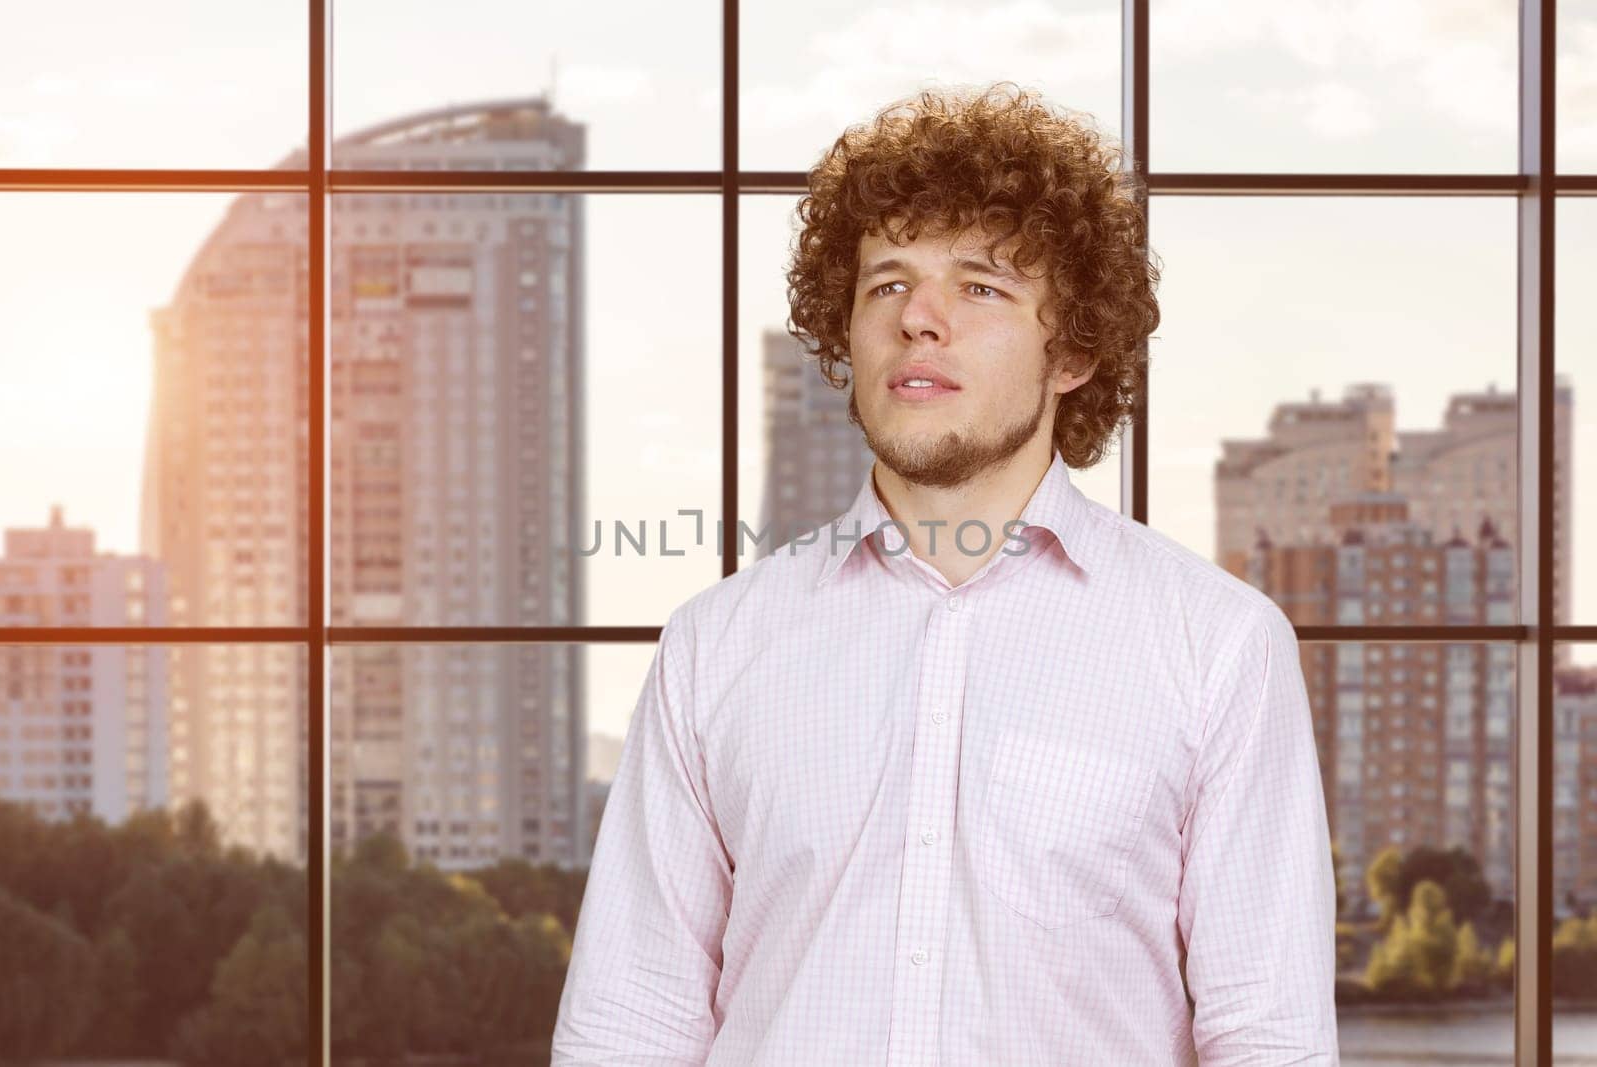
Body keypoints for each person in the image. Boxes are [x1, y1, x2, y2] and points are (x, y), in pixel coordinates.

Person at [551, 81, 1339, 1065]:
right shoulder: (717, 643)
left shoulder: (1215, 642)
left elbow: (1268, 1034)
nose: (919, 318)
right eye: (886, 283)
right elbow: (629, 1022)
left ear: (1075, 353)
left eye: (980, 285)